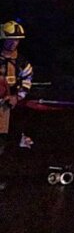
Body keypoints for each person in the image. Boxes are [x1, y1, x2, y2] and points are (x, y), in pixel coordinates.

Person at [0, 20, 33, 156]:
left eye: (17, 40)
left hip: (11, 105)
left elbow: (27, 82)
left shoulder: (22, 62)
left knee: (10, 134)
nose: (14, 43)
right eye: (11, 39)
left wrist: (16, 97)